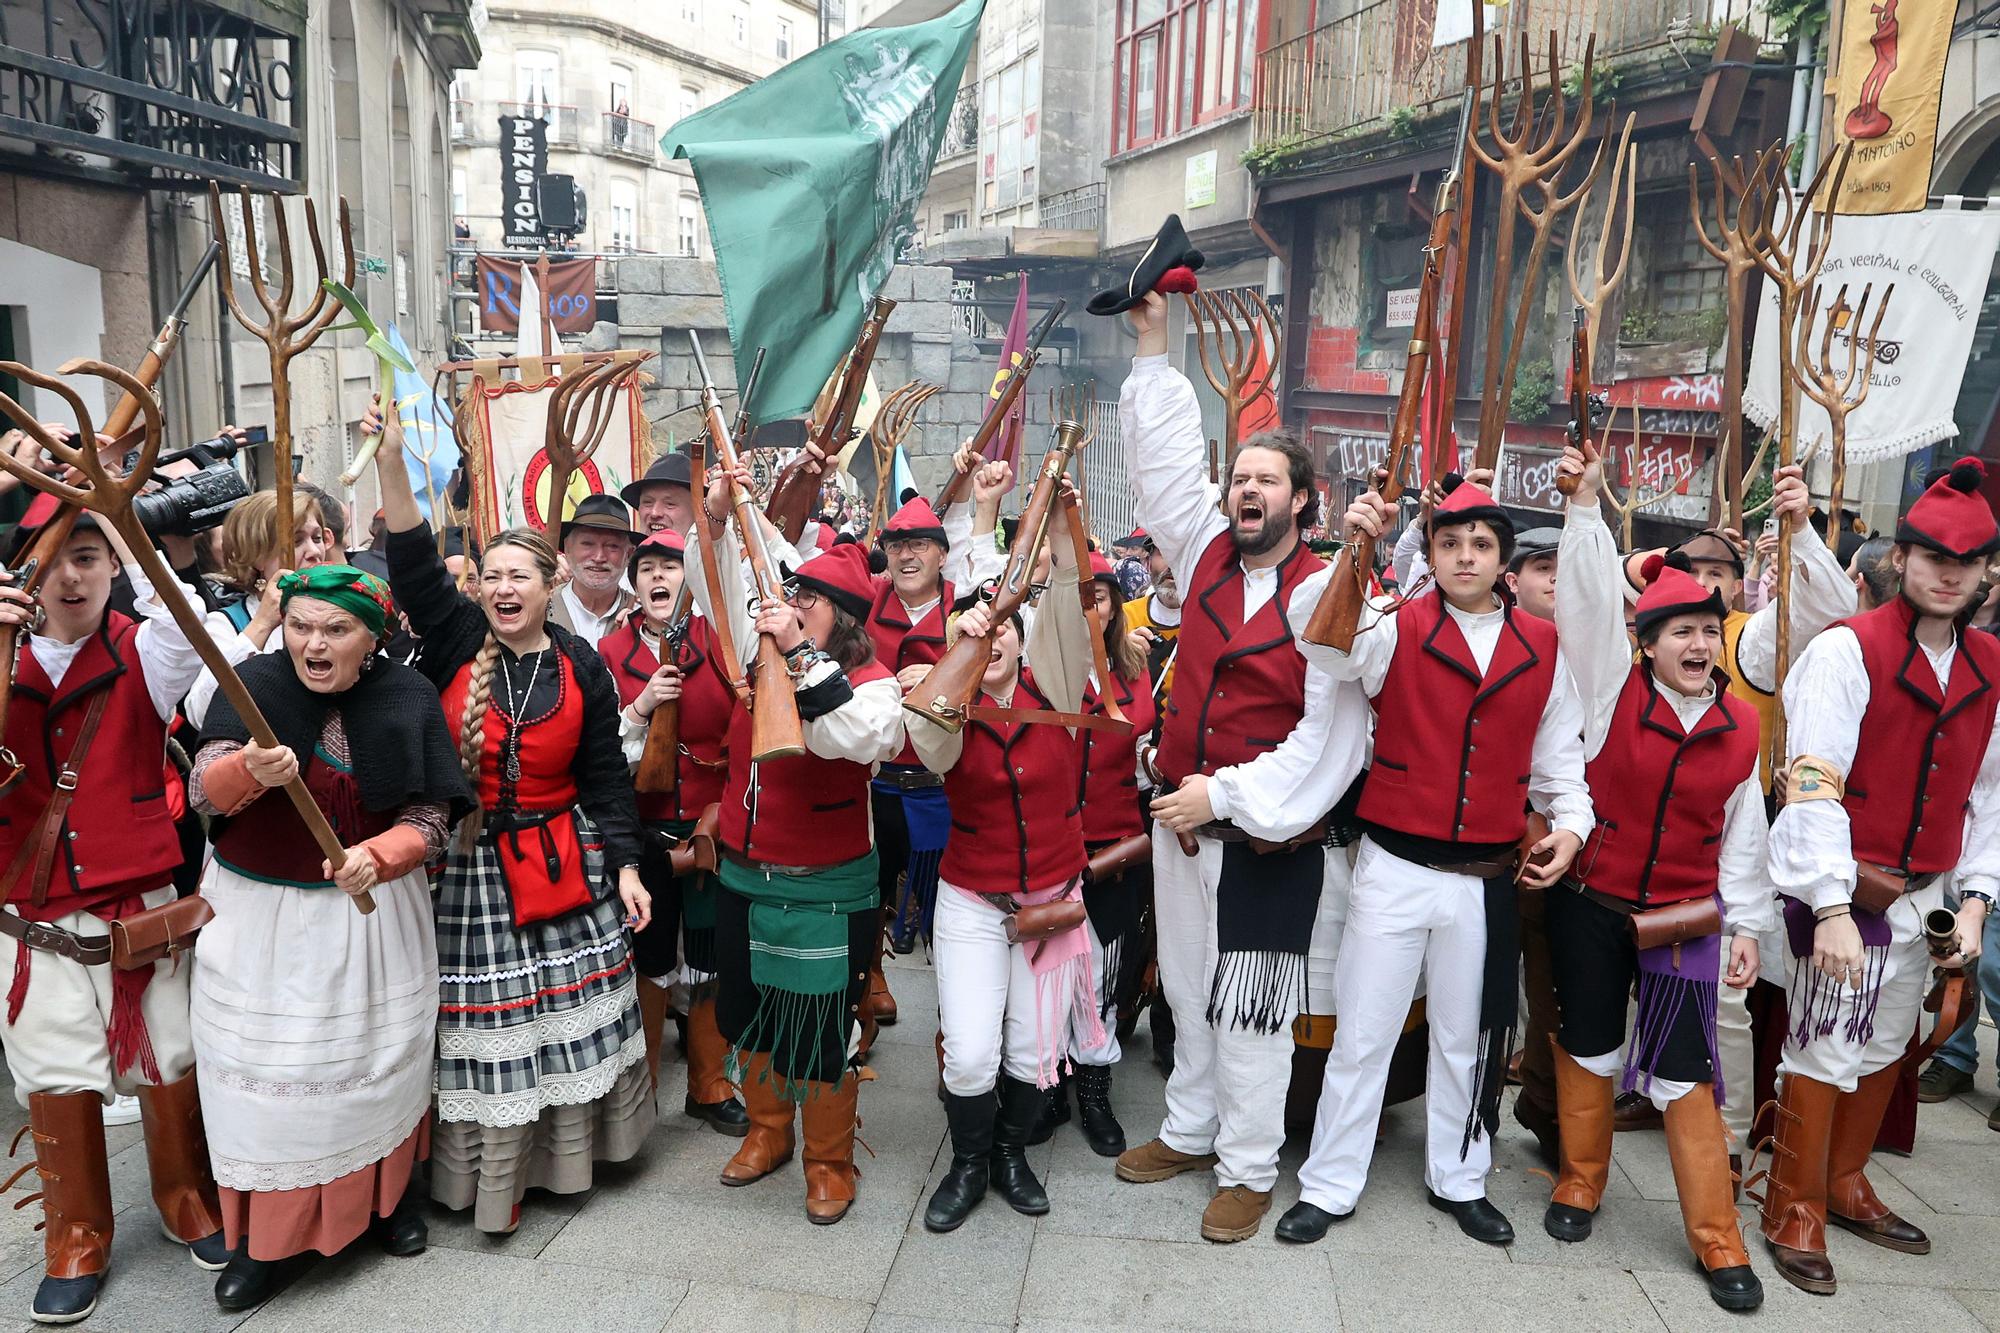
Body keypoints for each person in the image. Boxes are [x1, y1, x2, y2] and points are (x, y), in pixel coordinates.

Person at [1275, 473, 1591, 1249]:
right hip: (1393, 865)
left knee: (1467, 1035)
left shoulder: (1544, 646)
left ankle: (1460, 1176)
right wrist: (1356, 549)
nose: (1464, 556)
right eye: (1450, 542)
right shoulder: (1392, 624)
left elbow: (1560, 764)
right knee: (1366, 1031)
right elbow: (1318, 639)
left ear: (1504, 563)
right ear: (1433, 551)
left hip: (1484, 881)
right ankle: (1329, 1182)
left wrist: (1573, 828)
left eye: (1481, 544)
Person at [1113, 289, 1368, 1245]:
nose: (1245, 492)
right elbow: (1165, 470)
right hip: (1181, 829)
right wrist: (1151, 342)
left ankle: (1250, 1165)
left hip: (1267, 835)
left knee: (1252, 1007)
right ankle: (1188, 1127)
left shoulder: (1327, 591)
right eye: (1240, 480)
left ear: (1304, 500)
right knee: (1184, 987)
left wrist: (1222, 794)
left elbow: (1330, 741)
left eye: (1268, 481)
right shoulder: (1207, 550)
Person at [374, 428, 655, 1237]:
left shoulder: (580, 663)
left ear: (549, 582)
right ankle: (485, 1183)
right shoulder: (461, 640)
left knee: (564, 1022)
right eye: (490, 574)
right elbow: (415, 564)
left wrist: (627, 868)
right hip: (473, 872)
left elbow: (606, 776)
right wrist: (394, 464)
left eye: (516, 575)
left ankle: (565, 1165)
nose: (502, 586)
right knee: (489, 1028)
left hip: (568, 861)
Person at [187, 566, 472, 1309]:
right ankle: (258, 1242)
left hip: (369, 918)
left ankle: (390, 1203)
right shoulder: (253, 682)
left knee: (379, 1066)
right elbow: (201, 788)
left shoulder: (405, 695)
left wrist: (378, 855)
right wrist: (246, 766)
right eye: (302, 624)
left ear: (372, 640)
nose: (314, 643)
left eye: (336, 629)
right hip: (259, 921)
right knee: (261, 1085)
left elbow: (435, 814)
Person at [1759, 458, 2000, 1296]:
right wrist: (1826, 904)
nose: (1947, 572)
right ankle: (1792, 1201)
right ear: (1901, 558)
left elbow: (1988, 797)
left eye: (1964, 562)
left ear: (1983, 573)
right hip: (1850, 889)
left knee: (1890, 1043)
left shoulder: (1993, 668)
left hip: (1930, 894)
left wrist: (1974, 902)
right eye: (1931, 554)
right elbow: (1814, 780)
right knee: (1825, 1042)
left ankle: (1844, 1178)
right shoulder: (1844, 650)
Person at [1543, 446, 1768, 1311]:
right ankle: (1578, 1181)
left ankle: (1718, 1236)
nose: (1701, 645)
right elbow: (1592, 602)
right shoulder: (1607, 693)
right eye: (1682, 632)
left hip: (1684, 920)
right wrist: (1586, 507)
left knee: (1684, 1069)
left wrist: (1743, 927)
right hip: (1592, 902)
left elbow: (1742, 842)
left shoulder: (1744, 731)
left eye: (1710, 631)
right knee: (1591, 1042)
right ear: (1647, 646)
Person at [0, 511, 229, 1324]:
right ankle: (77, 1235)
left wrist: (117, 516)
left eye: (88, 558)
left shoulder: (143, 648)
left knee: (171, 1054)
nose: (71, 577)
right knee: (52, 1069)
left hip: (138, 905)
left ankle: (187, 1197)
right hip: (35, 911)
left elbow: (188, 627)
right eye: (55, 560)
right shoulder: (6, 653)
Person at [684, 467, 904, 1226]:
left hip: (829, 886)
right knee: (747, 1014)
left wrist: (799, 655)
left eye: (805, 598)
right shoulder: (764, 647)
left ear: (840, 618)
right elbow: (713, 575)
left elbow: (850, 733)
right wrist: (712, 518)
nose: (785, 603)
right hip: (747, 873)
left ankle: (828, 1163)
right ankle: (771, 1133)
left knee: (824, 1031)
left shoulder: (878, 685)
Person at [906, 493, 1102, 1232]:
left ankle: (1011, 1155)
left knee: (1031, 1047)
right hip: (973, 901)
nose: (997, 647)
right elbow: (931, 749)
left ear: (1023, 643)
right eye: (981, 638)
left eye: (1005, 634)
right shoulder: (945, 711)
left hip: (1051, 894)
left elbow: (1064, 608)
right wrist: (955, 659)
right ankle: (967, 1163)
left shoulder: (1052, 686)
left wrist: (1059, 528)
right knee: (969, 1051)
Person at [603, 528, 748, 1134]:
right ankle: (646, 1090)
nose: (658, 578)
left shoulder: (722, 643)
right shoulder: (610, 654)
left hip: (715, 829)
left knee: (713, 955)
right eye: (647, 570)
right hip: (647, 832)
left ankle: (709, 1086)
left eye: (669, 566)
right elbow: (600, 751)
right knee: (650, 957)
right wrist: (640, 704)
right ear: (632, 585)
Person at [1035, 550, 1157, 1156]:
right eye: (1078, 597)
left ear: (1113, 606)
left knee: (1101, 978)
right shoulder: (1038, 674)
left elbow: (1147, 768)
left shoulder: (1136, 676)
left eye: (1100, 597)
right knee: (1049, 971)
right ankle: (1050, 1083)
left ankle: (1094, 1089)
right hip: (1049, 854)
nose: (1090, 608)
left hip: (1114, 855)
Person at [185, 490, 337, 728]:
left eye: (317, 538)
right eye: (296, 541)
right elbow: (201, 712)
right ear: (257, 556)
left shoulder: (344, 611)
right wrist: (262, 625)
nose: (314, 552)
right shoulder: (229, 623)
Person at [549, 494, 639, 647]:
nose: (599, 557)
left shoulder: (641, 615)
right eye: (587, 544)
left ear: (629, 555)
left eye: (612, 546)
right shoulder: (543, 609)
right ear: (568, 549)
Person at [622, 450, 698, 537]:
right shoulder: (625, 550)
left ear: (697, 512)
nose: (655, 513)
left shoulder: (713, 550)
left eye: (670, 504)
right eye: (647, 502)